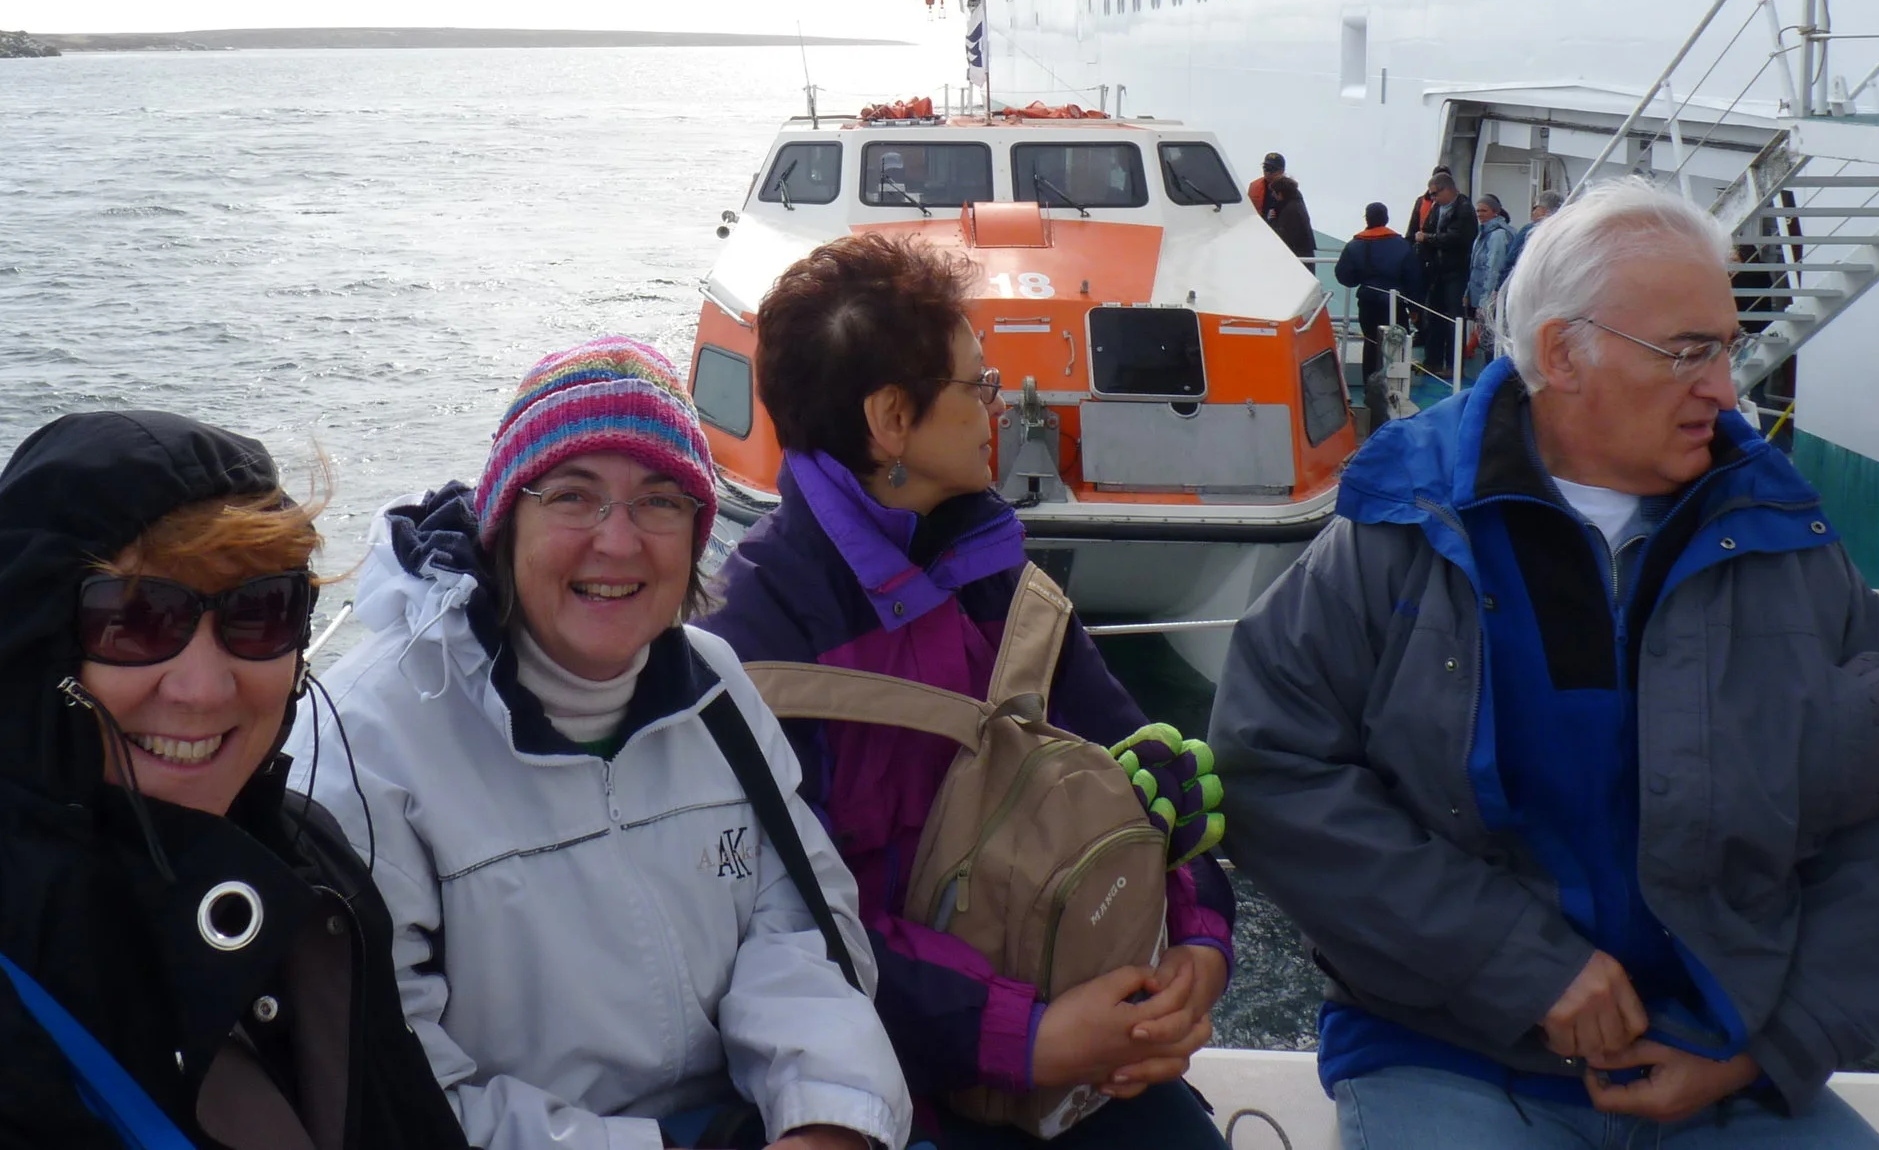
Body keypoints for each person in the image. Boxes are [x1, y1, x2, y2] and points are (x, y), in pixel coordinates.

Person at [1211, 177, 1879, 1149]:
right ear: (1563, 354)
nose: (1726, 391)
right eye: (1688, 352)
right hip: (1451, 1046)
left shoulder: (1788, 549)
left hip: (1722, 1057)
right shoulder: (1399, 535)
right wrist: (1518, 965)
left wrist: (1776, 1045)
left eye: (1725, 348)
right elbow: (1272, 770)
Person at [0, 410, 466, 1150]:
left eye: (258, 610)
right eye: (136, 618)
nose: (203, 685)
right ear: (36, 649)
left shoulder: (312, 867)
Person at [297, 338, 910, 1150]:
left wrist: (828, 1119)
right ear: (504, 520)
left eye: (660, 499)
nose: (618, 542)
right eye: (573, 496)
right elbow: (387, 1079)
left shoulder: (716, 691)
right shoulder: (368, 741)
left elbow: (800, 926)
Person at [701, 233, 1235, 1150]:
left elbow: (1130, 765)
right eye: (975, 386)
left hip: (1069, 1035)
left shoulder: (991, 568)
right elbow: (798, 937)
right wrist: (1027, 1038)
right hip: (892, 1079)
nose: (999, 403)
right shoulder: (756, 645)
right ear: (891, 420)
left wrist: (1199, 944)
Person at [1334, 202, 1421, 431]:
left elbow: (1344, 276)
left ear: (1367, 219)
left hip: (1368, 301)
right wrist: (1415, 307)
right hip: (1395, 302)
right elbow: (1413, 275)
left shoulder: (1355, 245)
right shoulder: (1401, 245)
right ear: (1386, 218)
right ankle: (1398, 390)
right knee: (1398, 343)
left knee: (1371, 343)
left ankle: (1369, 390)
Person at [1410, 170, 1473, 378]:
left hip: (1456, 271)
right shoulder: (1437, 208)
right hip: (1437, 270)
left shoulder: (1464, 209)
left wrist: (1427, 238)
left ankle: (1455, 365)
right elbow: (1427, 231)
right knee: (1433, 316)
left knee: (1455, 318)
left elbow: (1458, 238)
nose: (1433, 198)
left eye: (1435, 193)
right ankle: (1433, 361)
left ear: (1448, 189)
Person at [1464, 194, 1514, 370]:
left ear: (1495, 212)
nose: (1480, 214)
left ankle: (1493, 378)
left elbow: (1493, 268)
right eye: (1478, 210)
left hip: (1491, 299)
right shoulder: (1484, 233)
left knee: (1490, 342)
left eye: (1484, 210)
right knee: (1487, 340)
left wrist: (1485, 302)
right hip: (1480, 296)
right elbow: (1475, 267)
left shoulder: (1498, 236)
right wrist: (1468, 293)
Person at [1247, 154, 1317, 261]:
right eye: (1265, 168)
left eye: (1272, 169)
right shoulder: (1256, 187)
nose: (1267, 172)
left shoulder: (1292, 201)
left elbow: (1292, 231)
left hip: (1285, 246)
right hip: (1261, 236)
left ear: (1281, 171)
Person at [1500, 190, 1562, 298]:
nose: (1533, 212)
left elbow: (1512, 260)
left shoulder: (1530, 230)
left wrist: (1500, 288)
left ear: (1544, 209)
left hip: (1526, 288)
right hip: (1554, 290)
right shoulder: (1565, 231)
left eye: (1535, 207)